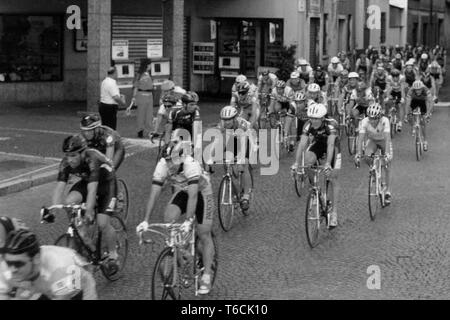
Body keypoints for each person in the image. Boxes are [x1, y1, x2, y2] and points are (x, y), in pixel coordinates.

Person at [137, 137, 215, 295]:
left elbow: (193, 196)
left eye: (173, 161)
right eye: (168, 161)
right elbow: (154, 194)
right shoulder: (162, 165)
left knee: (203, 232)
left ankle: (206, 275)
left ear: (181, 158)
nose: (170, 165)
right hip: (183, 191)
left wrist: (187, 220)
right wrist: (145, 220)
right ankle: (180, 253)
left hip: (202, 193)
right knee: (169, 218)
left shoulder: (190, 165)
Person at [50, 135, 119, 275]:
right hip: (88, 181)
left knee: (102, 223)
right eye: (67, 156)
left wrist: (88, 210)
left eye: (74, 155)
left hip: (106, 184)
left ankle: (113, 254)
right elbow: (59, 188)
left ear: (82, 152)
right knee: (69, 202)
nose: (70, 159)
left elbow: (92, 190)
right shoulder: (65, 163)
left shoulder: (92, 158)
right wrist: (53, 209)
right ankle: (82, 233)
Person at [0, 229, 97, 300]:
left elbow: (62, 297)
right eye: (9, 263)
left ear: (36, 258)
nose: (12, 269)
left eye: (18, 264)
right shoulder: (5, 266)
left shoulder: (61, 267)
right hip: (42, 282)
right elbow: (2, 294)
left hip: (77, 287)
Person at [291, 103, 341, 228]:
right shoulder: (308, 124)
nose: (313, 121)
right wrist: (296, 163)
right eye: (311, 118)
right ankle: (315, 188)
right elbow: (302, 145)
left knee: (332, 177)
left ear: (323, 118)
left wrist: (328, 163)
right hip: (319, 143)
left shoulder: (331, 125)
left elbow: (330, 145)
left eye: (316, 118)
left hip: (333, 146)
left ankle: (334, 213)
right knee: (307, 160)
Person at [355, 103, 393, 204]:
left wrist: (387, 154)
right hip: (372, 141)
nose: (372, 120)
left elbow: (387, 138)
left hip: (384, 141)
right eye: (370, 118)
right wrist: (358, 153)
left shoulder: (385, 121)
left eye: (375, 118)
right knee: (367, 157)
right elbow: (360, 139)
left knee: (387, 165)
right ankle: (375, 174)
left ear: (379, 117)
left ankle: (388, 190)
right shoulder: (364, 122)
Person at [405, 80, 433, 151]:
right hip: (414, 101)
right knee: (409, 115)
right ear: (414, 89)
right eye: (416, 90)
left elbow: (430, 102)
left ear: (422, 88)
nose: (418, 91)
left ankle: (425, 141)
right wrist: (406, 114)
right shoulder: (411, 91)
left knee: (423, 122)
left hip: (423, 101)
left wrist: (428, 113)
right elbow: (407, 104)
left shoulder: (426, 90)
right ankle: (413, 126)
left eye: (419, 89)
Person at [130, 59, 154, 138]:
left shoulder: (147, 74)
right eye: (150, 64)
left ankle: (149, 131)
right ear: (147, 65)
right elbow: (135, 87)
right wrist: (134, 97)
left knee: (149, 114)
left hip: (149, 95)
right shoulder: (140, 75)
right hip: (142, 95)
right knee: (141, 114)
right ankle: (140, 130)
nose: (151, 66)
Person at [99, 66, 126, 130]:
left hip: (103, 105)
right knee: (111, 127)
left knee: (105, 126)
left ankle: (105, 138)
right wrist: (123, 102)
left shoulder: (104, 81)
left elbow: (108, 93)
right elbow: (115, 97)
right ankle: (110, 139)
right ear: (114, 73)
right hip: (110, 107)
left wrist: (119, 95)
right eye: (117, 73)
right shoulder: (112, 82)